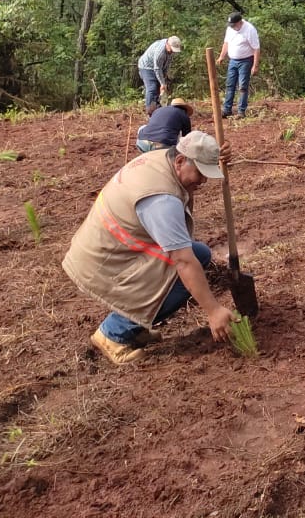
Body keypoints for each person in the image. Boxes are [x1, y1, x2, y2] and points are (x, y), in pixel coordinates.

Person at [63, 130, 235, 365]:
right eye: (200, 173)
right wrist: (213, 310)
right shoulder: (162, 199)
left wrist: (216, 157)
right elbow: (183, 261)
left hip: (111, 246)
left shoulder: (165, 157)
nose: (203, 181)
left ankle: (135, 325)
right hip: (106, 261)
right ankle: (113, 334)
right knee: (184, 267)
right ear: (181, 161)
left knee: (200, 254)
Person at [216, 11, 260, 118]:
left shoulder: (249, 29)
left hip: (246, 60)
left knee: (243, 86)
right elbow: (226, 43)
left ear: (240, 22)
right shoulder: (230, 29)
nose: (232, 27)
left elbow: (256, 49)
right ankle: (227, 110)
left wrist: (255, 65)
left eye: (234, 25)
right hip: (233, 60)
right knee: (230, 84)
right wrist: (222, 56)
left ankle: (241, 111)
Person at [136, 35, 182, 114]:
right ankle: (150, 111)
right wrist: (162, 83)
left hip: (157, 68)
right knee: (152, 88)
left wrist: (164, 78)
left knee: (159, 89)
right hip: (146, 67)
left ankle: (158, 109)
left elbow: (166, 65)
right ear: (168, 44)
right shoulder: (160, 52)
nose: (173, 51)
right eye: (172, 49)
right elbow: (157, 69)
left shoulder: (170, 51)